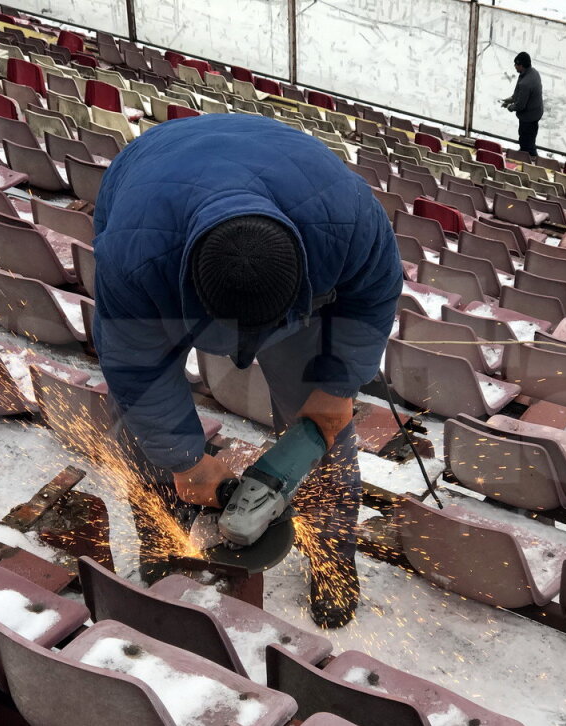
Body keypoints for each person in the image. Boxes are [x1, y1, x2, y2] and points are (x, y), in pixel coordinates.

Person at [92, 115, 403, 628]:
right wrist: (184, 460)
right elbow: (137, 368)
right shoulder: (134, 259)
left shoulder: (347, 221)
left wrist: (336, 385)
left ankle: (332, 560)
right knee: (145, 430)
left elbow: (372, 299)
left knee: (325, 433)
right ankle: (162, 538)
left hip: (296, 208)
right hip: (153, 192)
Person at [502, 51, 543, 155]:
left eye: (516, 64)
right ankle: (526, 153)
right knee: (529, 140)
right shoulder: (533, 72)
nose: (514, 66)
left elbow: (520, 105)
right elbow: (518, 94)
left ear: (521, 66)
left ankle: (528, 158)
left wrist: (510, 107)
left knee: (527, 142)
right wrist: (509, 100)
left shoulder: (526, 83)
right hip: (535, 113)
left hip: (528, 118)